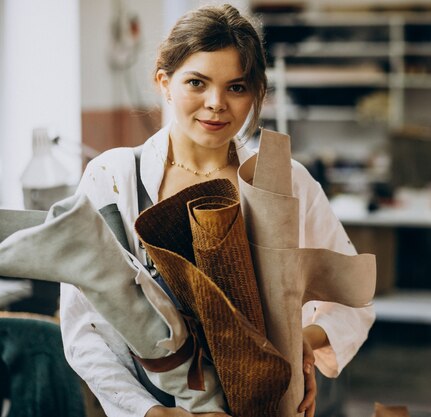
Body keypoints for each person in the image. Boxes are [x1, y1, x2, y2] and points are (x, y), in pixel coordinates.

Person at [59, 4, 375, 417]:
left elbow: (355, 298)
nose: (216, 103)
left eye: (237, 87)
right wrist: (148, 412)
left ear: (257, 93)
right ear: (164, 83)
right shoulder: (113, 178)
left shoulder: (285, 180)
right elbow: (83, 327)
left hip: (269, 405)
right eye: (197, 82)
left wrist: (306, 339)